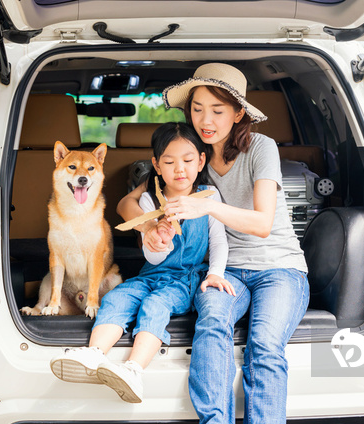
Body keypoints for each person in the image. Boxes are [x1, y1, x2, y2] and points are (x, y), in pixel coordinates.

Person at [117, 63, 309, 424]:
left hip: (279, 269)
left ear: (239, 114)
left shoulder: (261, 148)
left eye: (218, 111)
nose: (206, 120)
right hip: (225, 271)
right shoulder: (190, 156)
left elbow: (263, 223)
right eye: (197, 109)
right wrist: (148, 228)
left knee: (264, 345)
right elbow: (129, 202)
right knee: (211, 322)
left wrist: (206, 205)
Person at [49, 122, 235, 404]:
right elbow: (152, 257)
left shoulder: (209, 197)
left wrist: (215, 273)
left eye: (187, 161)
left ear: (201, 161)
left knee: (155, 305)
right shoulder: (150, 200)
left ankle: (134, 368)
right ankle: (94, 353)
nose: (180, 169)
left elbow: (219, 240)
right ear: (156, 166)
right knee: (118, 296)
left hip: (185, 279)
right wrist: (158, 240)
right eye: (169, 162)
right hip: (151, 273)